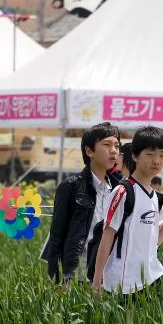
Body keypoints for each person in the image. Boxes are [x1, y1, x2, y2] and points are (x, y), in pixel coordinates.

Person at [91, 126, 163, 295]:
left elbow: (154, 242)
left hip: (152, 279)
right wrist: (97, 282)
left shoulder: (156, 197)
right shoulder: (123, 192)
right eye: (150, 154)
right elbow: (107, 236)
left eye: (162, 155)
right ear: (135, 155)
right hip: (123, 284)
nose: (157, 161)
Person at [41, 121, 122, 284]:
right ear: (89, 151)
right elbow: (57, 235)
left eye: (117, 146)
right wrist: (57, 279)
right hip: (79, 272)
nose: (113, 151)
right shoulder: (71, 186)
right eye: (107, 145)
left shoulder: (119, 189)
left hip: (110, 273)